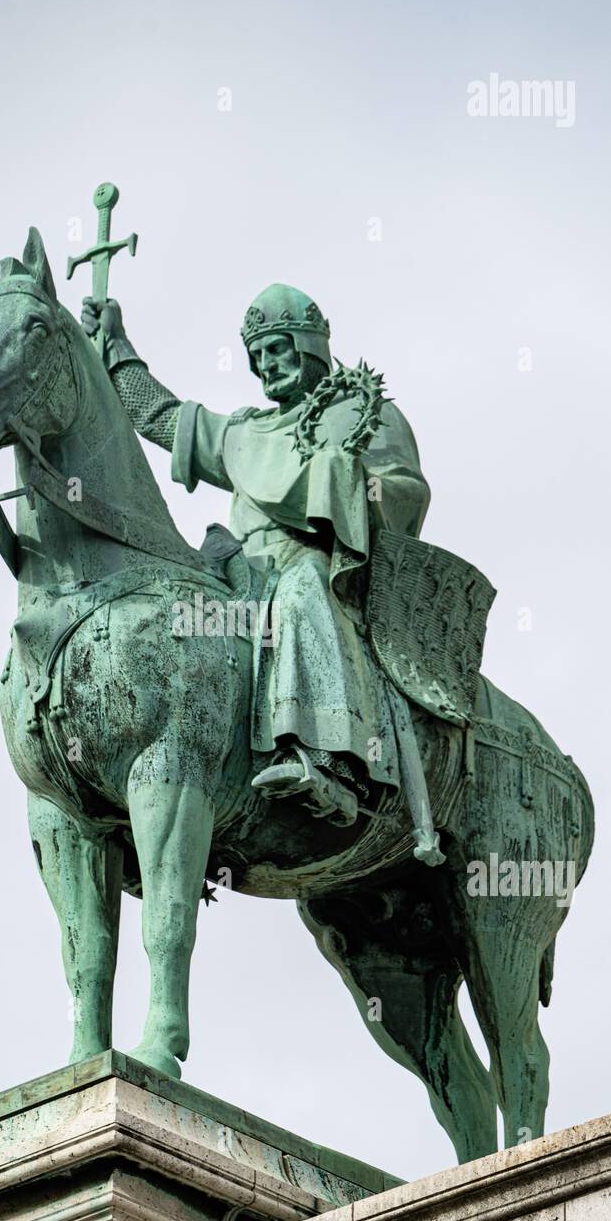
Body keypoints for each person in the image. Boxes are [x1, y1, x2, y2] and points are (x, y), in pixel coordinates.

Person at [81, 283, 431, 827]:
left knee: (299, 589)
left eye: (278, 349)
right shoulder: (247, 432)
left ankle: (331, 765)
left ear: (309, 346)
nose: (266, 365)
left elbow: (403, 496)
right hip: (239, 568)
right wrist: (114, 345)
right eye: (258, 356)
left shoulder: (363, 414)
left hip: (319, 565)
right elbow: (161, 417)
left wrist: (341, 481)